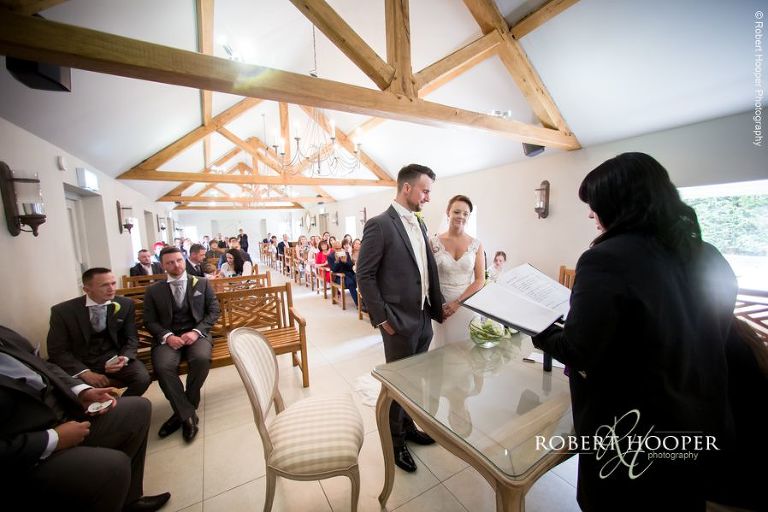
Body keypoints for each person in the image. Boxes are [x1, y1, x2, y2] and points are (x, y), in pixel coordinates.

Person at [531, 152, 738, 511]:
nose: (590, 213)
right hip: (698, 421)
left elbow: (580, 350)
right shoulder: (708, 254)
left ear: (618, 203)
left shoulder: (606, 258)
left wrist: (539, 329)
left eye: (594, 204)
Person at [0, 325, 170, 512]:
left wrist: (81, 391)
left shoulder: (4, 333)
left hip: (64, 409)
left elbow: (44, 366)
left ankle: (129, 499)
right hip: (28, 450)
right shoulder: (64, 313)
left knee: (139, 407)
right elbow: (59, 353)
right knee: (115, 466)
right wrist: (53, 439)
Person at [356, 163, 444, 473]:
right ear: (407, 188)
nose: (428, 197)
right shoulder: (380, 225)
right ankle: (394, 443)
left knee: (415, 381)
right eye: (425, 190)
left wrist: (435, 307)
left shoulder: (419, 222)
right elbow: (363, 275)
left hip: (422, 317)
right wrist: (383, 319)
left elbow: (424, 267)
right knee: (396, 385)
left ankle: (407, 428)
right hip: (396, 321)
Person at [143, 247, 220, 442]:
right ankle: (187, 415)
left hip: (196, 335)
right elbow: (150, 320)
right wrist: (167, 336)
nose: (176, 265)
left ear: (184, 260)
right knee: (162, 367)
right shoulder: (154, 290)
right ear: (163, 265)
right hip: (168, 339)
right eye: (170, 262)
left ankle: (183, 410)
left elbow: (213, 311)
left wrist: (196, 332)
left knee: (202, 359)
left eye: (178, 260)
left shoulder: (201, 283)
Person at [47, 268, 151, 397]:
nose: (111, 288)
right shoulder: (63, 311)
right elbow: (57, 350)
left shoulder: (125, 304)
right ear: (86, 290)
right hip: (79, 360)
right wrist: (84, 372)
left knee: (142, 378)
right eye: (104, 285)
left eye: (113, 283)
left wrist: (123, 358)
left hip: (112, 357)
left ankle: (120, 407)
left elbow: (131, 338)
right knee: (70, 390)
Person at [429, 195, 485, 349]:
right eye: (457, 212)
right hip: (441, 306)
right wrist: (435, 306)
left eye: (465, 214)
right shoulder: (433, 243)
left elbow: (480, 280)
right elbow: (427, 277)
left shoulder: (477, 245)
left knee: (465, 351)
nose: (461, 216)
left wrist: (457, 303)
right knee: (442, 350)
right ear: (448, 212)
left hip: (466, 303)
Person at [327, 240, 358, 307]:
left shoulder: (346, 254)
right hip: (339, 276)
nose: (338, 250)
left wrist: (345, 262)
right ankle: (359, 304)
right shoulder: (330, 256)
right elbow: (333, 270)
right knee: (350, 283)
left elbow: (351, 266)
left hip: (349, 273)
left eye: (340, 248)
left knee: (360, 280)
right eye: (336, 249)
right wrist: (337, 261)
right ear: (333, 248)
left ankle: (366, 301)